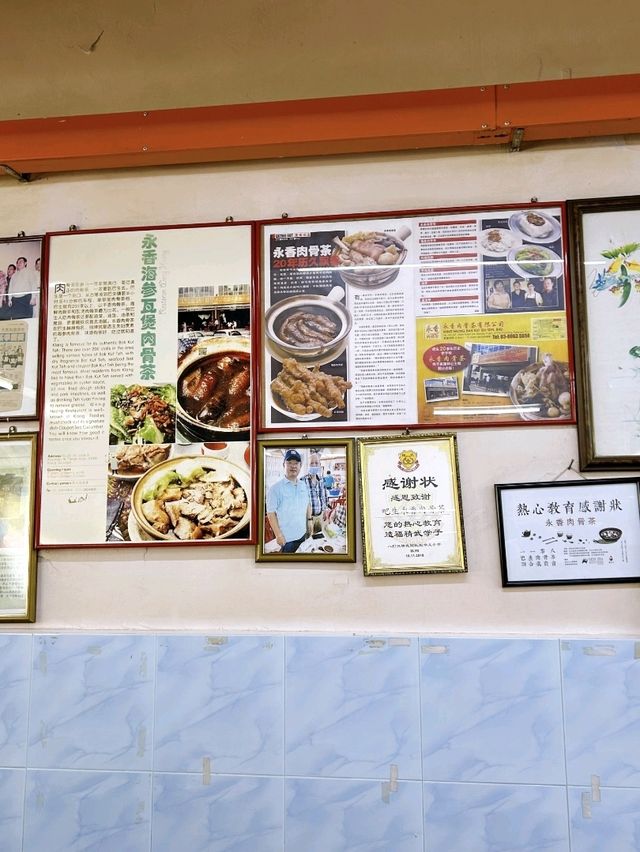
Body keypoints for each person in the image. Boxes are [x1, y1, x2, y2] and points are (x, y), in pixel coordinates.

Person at [266, 448, 311, 553]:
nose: (293, 466)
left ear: (300, 466)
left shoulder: (303, 485)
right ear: (284, 465)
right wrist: (278, 535)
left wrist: (310, 520)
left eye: (296, 463)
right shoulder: (275, 489)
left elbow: (308, 503)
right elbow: (270, 513)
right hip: (287, 538)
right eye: (289, 463)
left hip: (303, 533)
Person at [302, 451, 329, 534]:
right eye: (311, 463)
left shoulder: (321, 480)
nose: (314, 465)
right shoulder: (302, 481)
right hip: (308, 519)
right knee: (308, 541)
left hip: (320, 516)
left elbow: (323, 496)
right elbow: (303, 502)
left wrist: (325, 510)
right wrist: (309, 519)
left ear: (320, 465)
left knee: (319, 540)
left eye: (316, 463)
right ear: (308, 465)